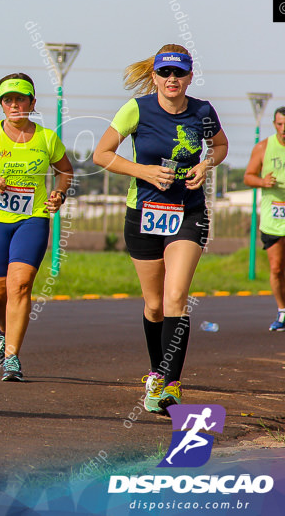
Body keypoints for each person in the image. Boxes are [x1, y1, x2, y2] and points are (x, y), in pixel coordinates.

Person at [93, 45, 227, 415]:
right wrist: (144, 171)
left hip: (188, 212)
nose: (172, 80)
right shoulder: (136, 109)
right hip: (145, 213)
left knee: (175, 296)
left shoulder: (203, 111)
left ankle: (170, 383)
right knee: (154, 305)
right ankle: (156, 370)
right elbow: (101, 155)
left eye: (179, 73)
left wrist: (206, 165)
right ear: (154, 76)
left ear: (189, 76)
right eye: (165, 73)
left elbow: (219, 145)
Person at [0, 73, 73, 382]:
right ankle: (3, 330)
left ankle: (12, 357)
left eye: (21, 98)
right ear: (1, 104)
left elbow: (66, 172)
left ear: (32, 103)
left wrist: (59, 194)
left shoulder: (47, 138)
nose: (14, 104)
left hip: (32, 219)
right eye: (8, 99)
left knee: (19, 285)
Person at [243, 107, 285, 332]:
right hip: (272, 216)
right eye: (279, 125)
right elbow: (248, 176)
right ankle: (282, 311)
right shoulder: (263, 147)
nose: (284, 129)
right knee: (277, 267)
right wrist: (262, 182)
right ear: (274, 124)